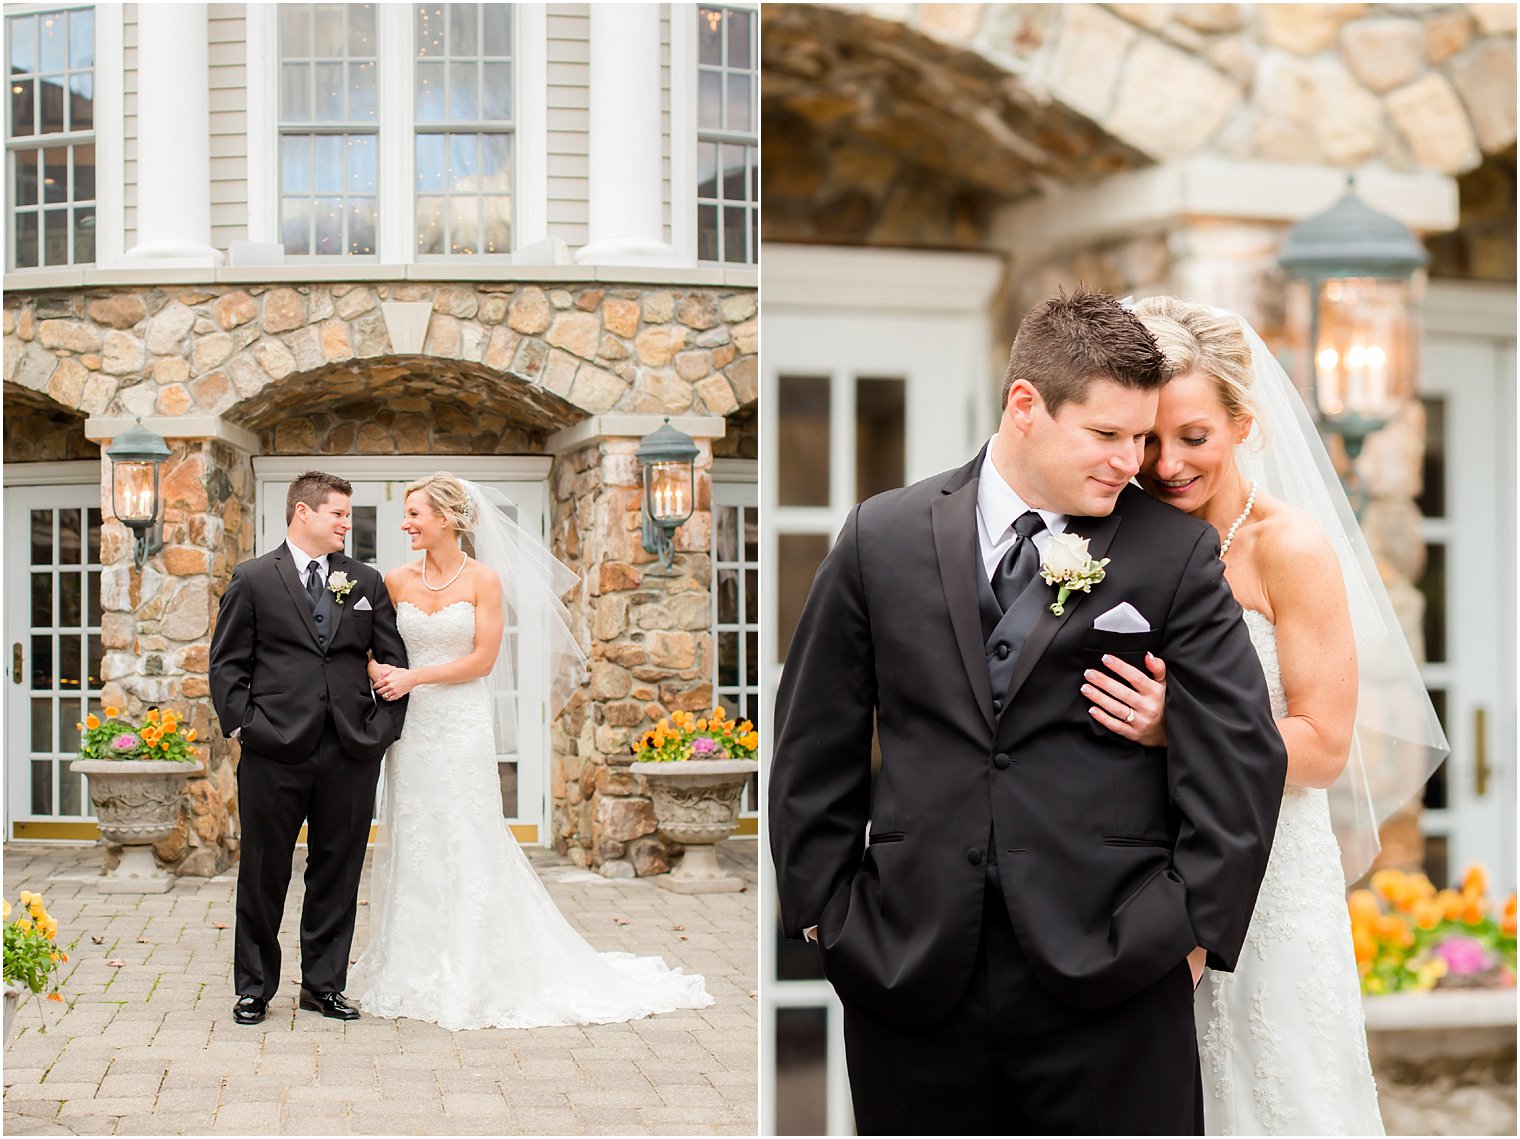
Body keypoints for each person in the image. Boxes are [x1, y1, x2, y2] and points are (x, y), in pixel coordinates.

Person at [769, 287, 1289, 1135]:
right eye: (1109, 435)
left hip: (1117, 975)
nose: (1135, 462)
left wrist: (1187, 934)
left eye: (1144, 435)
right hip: (908, 972)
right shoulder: (880, 536)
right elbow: (810, 749)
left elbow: (1244, 755)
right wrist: (832, 922)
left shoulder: (1175, 552)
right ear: (1026, 406)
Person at [1083, 296, 1447, 1135]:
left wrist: (1185, 726)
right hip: (1134, 877)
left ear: (1245, 424)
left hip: (1273, 872)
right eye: (1148, 440)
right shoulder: (1108, 537)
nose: (1165, 464)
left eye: (1193, 437)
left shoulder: (1289, 546)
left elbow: (1323, 746)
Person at [349, 472, 712, 1030]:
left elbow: (482, 661)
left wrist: (413, 677)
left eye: (415, 514)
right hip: (413, 729)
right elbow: (370, 645)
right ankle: (411, 965)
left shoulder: (483, 580)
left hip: (460, 721)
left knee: (469, 833)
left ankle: (476, 967)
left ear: (445, 518)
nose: (406, 524)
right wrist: (381, 673)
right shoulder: (395, 579)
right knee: (416, 833)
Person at [209, 470, 410, 1025]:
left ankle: (323, 985)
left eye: (348, 514)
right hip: (274, 747)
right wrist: (246, 727)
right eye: (338, 514)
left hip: (350, 748)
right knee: (263, 869)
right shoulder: (253, 578)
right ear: (304, 512)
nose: (347, 523)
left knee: (338, 869)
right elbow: (227, 664)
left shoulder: (365, 581)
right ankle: (254, 987)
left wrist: (382, 727)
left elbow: (392, 660)